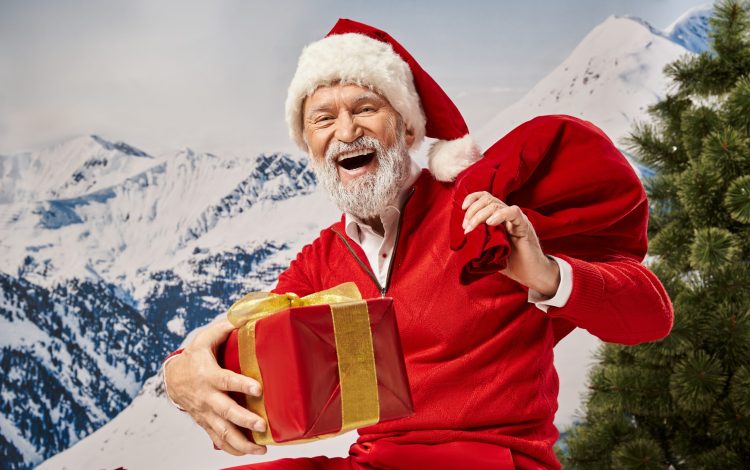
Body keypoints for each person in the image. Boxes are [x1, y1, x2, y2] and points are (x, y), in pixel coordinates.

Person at [163, 19, 673, 469]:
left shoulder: (481, 215)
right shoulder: (322, 260)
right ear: (310, 145)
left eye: (366, 108)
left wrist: (547, 275)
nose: (346, 131)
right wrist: (181, 373)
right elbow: (246, 333)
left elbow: (651, 317)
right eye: (323, 119)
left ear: (408, 128)